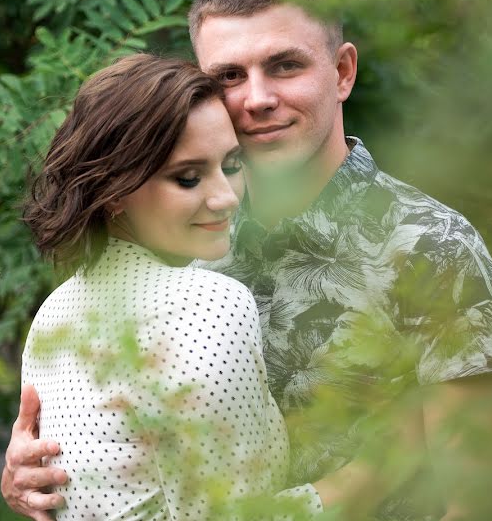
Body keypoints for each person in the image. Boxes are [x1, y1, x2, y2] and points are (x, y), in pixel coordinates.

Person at [3, 0, 492, 521]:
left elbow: (479, 500)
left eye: (284, 66)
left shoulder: (433, 249)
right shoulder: (178, 243)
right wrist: (44, 477)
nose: (256, 98)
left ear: (343, 72)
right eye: (228, 76)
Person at [18, 53, 322, 520]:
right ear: (114, 189)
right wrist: (372, 475)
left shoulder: (53, 316)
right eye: (187, 177)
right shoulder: (208, 303)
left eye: (232, 163)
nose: (225, 197)